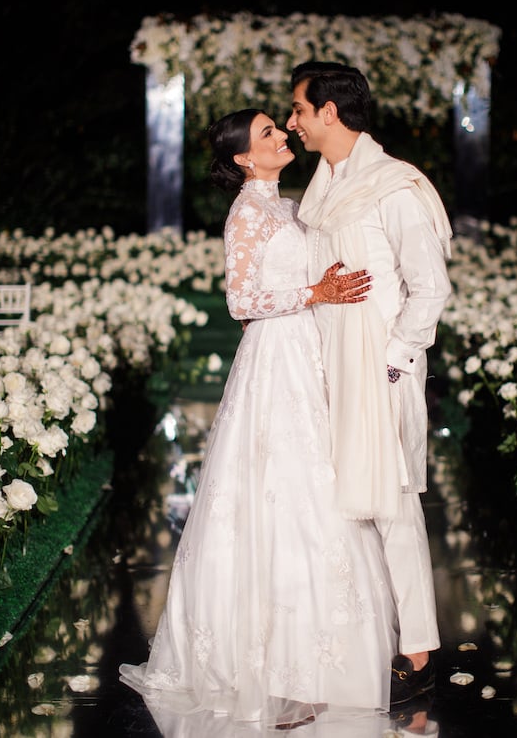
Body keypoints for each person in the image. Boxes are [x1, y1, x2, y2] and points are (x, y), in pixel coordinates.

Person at [119, 108, 400, 730]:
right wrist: (313, 294)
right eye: (268, 134)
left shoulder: (288, 204)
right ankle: (272, 670)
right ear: (245, 158)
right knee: (281, 498)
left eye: (280, 127)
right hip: (276, 362)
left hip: (308, 352)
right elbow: (241, 301)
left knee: (321, 494)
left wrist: (324, 295)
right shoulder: (247, 213)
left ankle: (323, 663)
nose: (281, 137)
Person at [286, 61, 453, 706]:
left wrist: (393, 360)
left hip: (380, 368)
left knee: (392, 505)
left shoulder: (394, 186)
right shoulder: (321, 186)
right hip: (323, 360)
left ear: (331, 112)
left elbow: (429, 287)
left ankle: (418, 648)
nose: (294, 121)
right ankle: (352, 637)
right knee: (336, 501)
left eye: (299, 109)